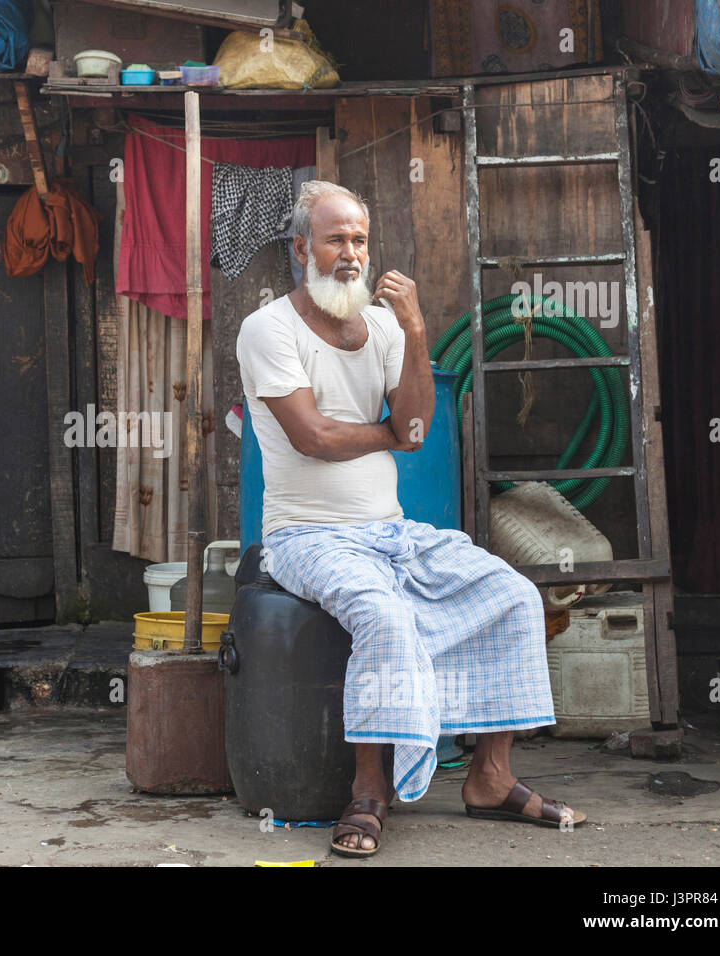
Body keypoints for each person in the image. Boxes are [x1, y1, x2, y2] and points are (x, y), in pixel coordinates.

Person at [235, 180, 586, 858]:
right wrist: (391, 434)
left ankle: (490, 777)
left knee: (513, 596)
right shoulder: (267, 328)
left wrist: (418, 327)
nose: (352, 254)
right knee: (384, 616)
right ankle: (370, 792)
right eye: (336, 239)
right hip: (304, 536)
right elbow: (314, 438)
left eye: (361, 240)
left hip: (390, 531)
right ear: (303, 248)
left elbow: (418, 423)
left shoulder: (389, 326)